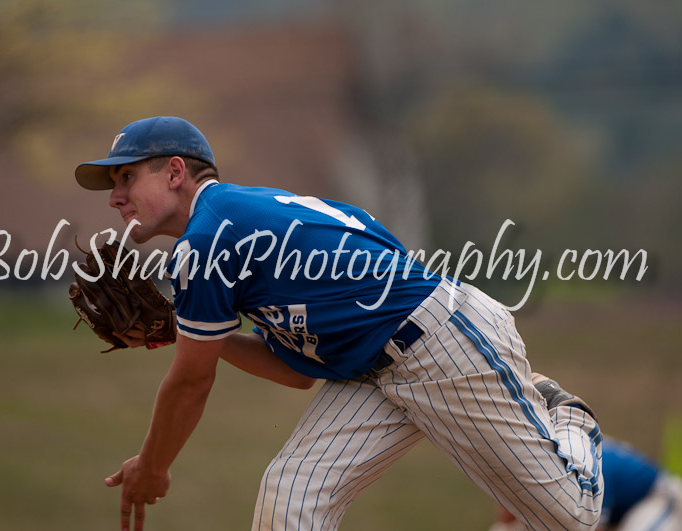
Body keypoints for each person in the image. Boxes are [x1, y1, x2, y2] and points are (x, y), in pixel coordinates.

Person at [75, 116, 604, 531]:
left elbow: (191, 382)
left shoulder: (211, 236)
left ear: (173, 172)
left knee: (568, 518)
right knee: (291, 498)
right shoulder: (233, 227)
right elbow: (297, 370)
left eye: (127, 175)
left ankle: (569, 417)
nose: (115, 195)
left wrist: (153, 464)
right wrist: (180, 331)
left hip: (445, 344)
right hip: (378, 368)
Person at [490, 437, 682, 531]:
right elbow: (507, 517)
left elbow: (592, 528)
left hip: (659, 501)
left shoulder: (585, 467)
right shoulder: (543, 461)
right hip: (620, 512)